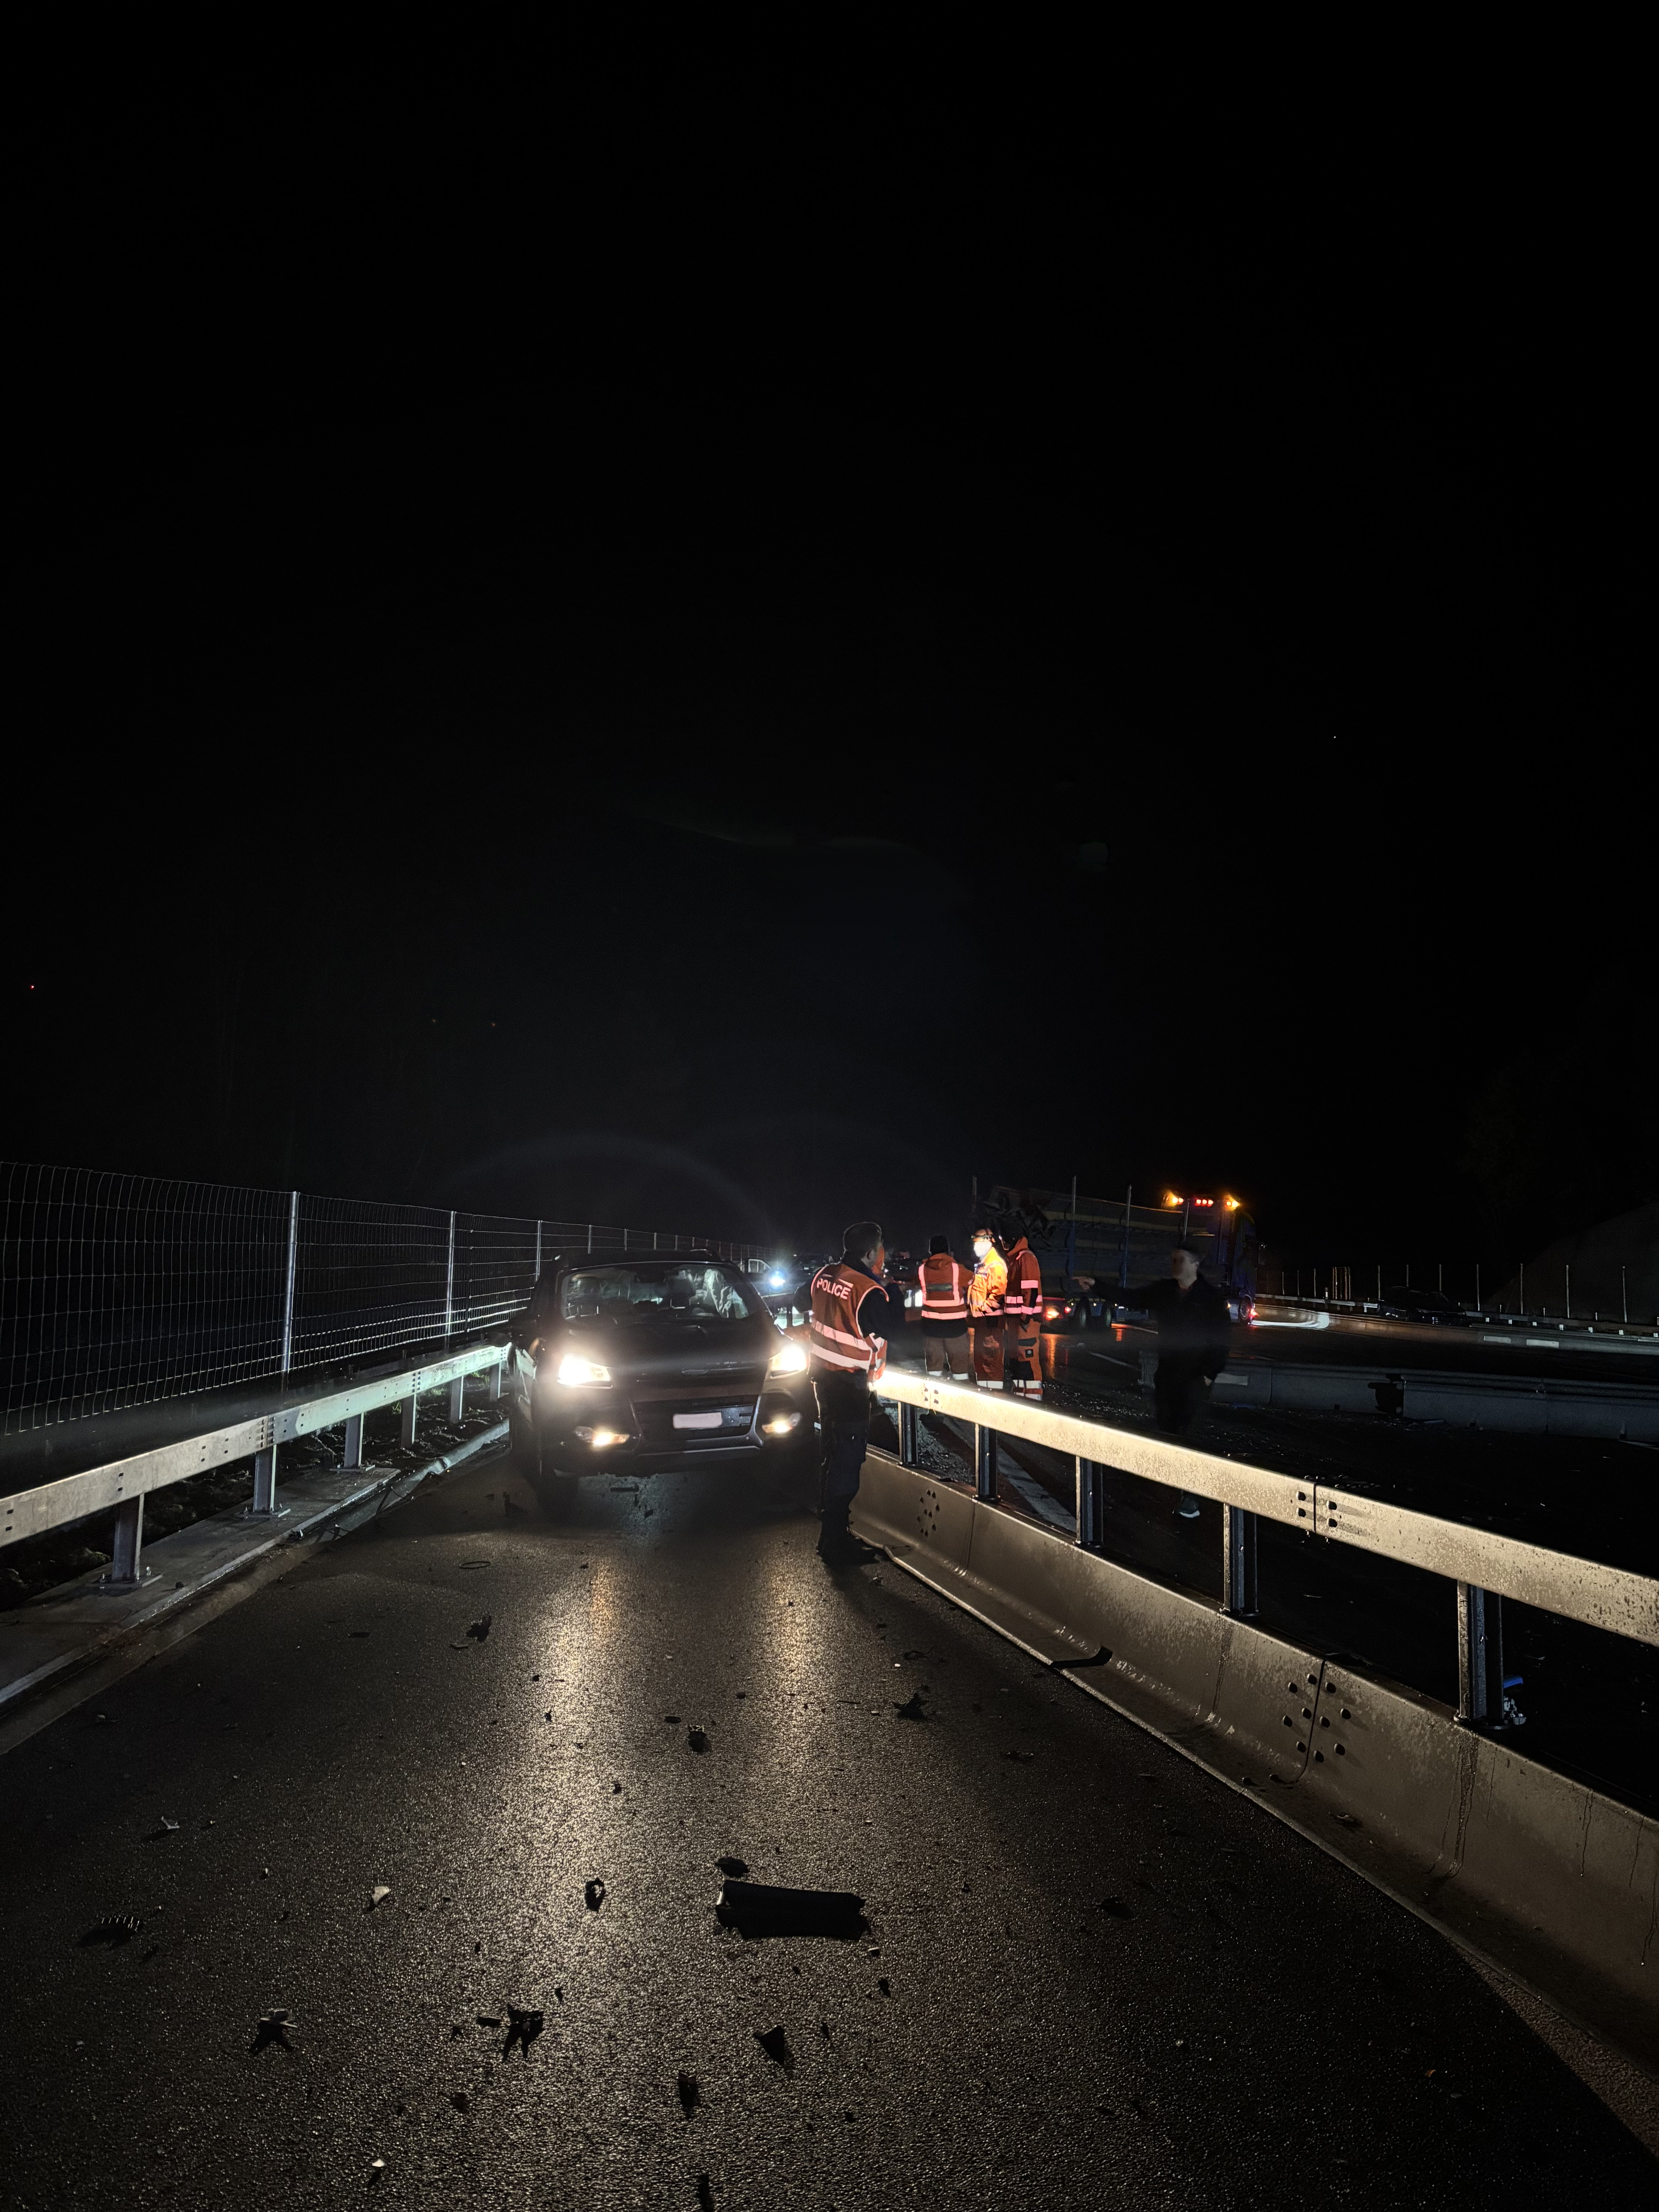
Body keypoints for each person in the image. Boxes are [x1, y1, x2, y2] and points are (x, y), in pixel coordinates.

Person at [1079, 1240, 1231, 1514]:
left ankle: (1192, 1497)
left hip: (1195, 1380)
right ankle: (1178, 1489)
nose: (1176, 1265)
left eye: (1181, 1260)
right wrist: (1097, 1286)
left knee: (1189, 1436)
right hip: (1168, 1376)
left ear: (1195, 1264)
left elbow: (1221, 1340)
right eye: (1173, 1260)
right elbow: (1131, 1298)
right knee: (1168, 1433)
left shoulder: (1210, 1298)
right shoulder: (1165, 1292)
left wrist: (1209, 1375)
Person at [805, 1220, 898, 1561]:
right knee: (847, 1463)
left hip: (823, 1382)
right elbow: (879, 1337)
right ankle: (834, 1542)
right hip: (849, 1386)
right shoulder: (869, 1291)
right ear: (872, 1252)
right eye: (882, 1247)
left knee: (831, 1455)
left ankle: (830, 1532)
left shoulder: (824, 1275)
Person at [917, 1233, 972, 1379]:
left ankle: (934, 1399)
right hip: (956, 1327)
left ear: (931, 1251)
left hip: (931, 1326)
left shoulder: (922, 1270)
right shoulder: (957, 1269)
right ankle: (960, 1399)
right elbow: (971, 1280)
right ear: (948, 1250)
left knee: (934, 1372)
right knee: (960, 1370)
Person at [1001, 1229, 1046, 1398]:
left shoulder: (1025, 1259)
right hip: (1016, 1321)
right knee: (1017, 1362)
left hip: (1025, 1322)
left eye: (1003, 1239)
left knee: (1027, 1361)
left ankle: (1033, 1399)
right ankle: (1021, 1397)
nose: (1002, 1243)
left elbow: (1031, 1292)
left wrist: (1025, 1319)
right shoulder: (1016, 1259)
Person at [966, 1226, 1008, 1388]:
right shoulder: (983, 1264)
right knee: (982, 1364)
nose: (975, 1247)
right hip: (983, 1325)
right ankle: (984, 1397)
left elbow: (999, 1294)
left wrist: (983, 1311)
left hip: (991, 1325)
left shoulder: (994, 1265)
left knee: (991, 1365)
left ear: (988, 1242)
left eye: (978, 1243)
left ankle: (994, 1398)